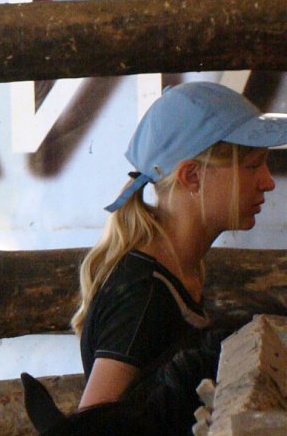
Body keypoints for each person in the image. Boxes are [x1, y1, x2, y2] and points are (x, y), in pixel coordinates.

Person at [74, 81, 287, 409]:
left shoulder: (181, 271)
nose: (268, 182)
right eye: (252, 166)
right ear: (191, 177)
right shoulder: (143, 296)